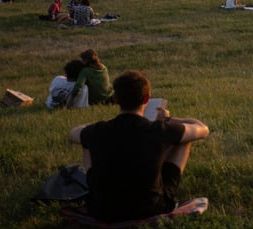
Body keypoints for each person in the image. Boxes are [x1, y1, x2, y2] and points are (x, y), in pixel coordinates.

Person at [69, 70, 210, 221]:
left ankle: (97, 191)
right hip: (151, 208)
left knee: (87, 141)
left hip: (103, 209)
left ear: (116, 98)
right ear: (147, 98)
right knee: (184, 137)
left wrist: (103, 125)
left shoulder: (100, 130)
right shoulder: (160, 129)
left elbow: (74, 132)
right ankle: (160, 189)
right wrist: (169, 119)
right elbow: (202, 129)